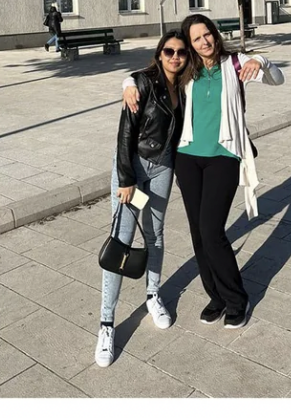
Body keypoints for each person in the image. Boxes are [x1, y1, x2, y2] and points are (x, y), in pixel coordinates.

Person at [125, 14, 284, 330]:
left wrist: (262, 61)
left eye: (207, 34)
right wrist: (128, 82)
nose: (204, 42)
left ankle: (237, 298)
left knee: (212, 231)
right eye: (196, 38)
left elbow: (277, 78)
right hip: (187, 158)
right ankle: (216, 296)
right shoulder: (188, 70)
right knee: (198, 233)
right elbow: (152, 71)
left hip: (222, 157)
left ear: (215, 34)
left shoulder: (236, 64)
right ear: (191, 44)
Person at [95, 30, 188, 368]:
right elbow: (125, 132)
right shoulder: (143, 84)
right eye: (168, 51)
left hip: (162, 170)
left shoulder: (182, 85)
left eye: (180, 52)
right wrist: (125, 178)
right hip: (135, 171)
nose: (175, 56)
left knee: (156, 237)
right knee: (122, 242)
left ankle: (153, 295)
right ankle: (107, 324)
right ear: (159, 53)